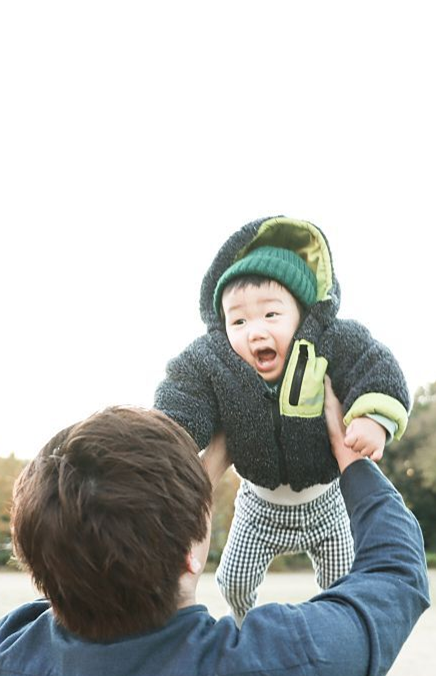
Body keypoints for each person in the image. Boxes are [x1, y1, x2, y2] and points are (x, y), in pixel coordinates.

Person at [0, 392, 429, 676]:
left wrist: (206, 467)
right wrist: (351, 458)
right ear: (189, 559)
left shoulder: (14, 650)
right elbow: (396, 575)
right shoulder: (277, 657)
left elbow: (82, 558)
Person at [154, 216, 411, 621]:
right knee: (233, 581)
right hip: (259, 505)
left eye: (270, 315)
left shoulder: (331, 341)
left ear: (302, 314)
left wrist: (371, 418)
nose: (254, 332)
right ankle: (242, 621)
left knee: (344, 581)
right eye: (237, 321)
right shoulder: (214, 360)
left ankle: (333, 633)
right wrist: (171, 437)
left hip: (326, 501)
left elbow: (374, 365)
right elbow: (183, 392)